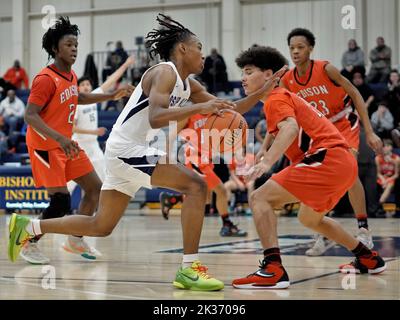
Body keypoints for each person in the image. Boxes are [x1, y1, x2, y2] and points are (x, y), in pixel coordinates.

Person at [8, 14, 284, 291]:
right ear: (183, 49)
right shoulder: (164, 72)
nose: (203, 54)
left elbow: (229, 108)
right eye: (199, 46)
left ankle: (29, 227)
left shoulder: (191, 85)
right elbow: (156, 117)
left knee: (101, 225)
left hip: (128, 151)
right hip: (127, 148)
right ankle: (189, 269)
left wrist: (262, 91)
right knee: (196, 184)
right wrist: (198, 109)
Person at [231, 45, 386, 290]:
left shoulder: (276, 98)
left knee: (259, 198)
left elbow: (290, 129)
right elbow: (284, 130)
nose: (243, 78)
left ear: (269, 74)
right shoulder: (281, 99)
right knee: (310, 218)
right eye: (243, 73)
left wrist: (267, 163)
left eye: (249, 72)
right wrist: (263, 153)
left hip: (328, 158)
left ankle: (273, 269)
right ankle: (368, 257)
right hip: (340, 163)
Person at [18, 16, 133, 265]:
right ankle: (27, 241)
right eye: (69, 44)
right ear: (55, 49)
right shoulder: (45, 79)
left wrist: (112, 95)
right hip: (46, 146)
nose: (74, 49)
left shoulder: (70, 76)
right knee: (61, 202)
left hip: (65, 144)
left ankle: (75, 239)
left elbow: (78, 99)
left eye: (76, 45)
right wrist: (60, 137)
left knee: (94, 189)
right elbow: (29, 115)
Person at [280, 28, 382, 256]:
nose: (295, 52)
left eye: (300, 47)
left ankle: (363, 230)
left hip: (344, 123)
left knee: (349, 173)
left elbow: (355, 93)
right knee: (316, 179)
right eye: (292, 48)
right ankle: (321, 231)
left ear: (310, 49)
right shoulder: (287, 79)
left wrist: (371, 131)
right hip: (319, 130)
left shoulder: (325, 68)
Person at [159, 113, 248, 237]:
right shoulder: (189, 114)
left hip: (207, 160)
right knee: (221, 191)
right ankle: (227, 225)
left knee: (205, 198)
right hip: (194, 159)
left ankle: (172, 199)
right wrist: (167, 158)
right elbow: (171, 135)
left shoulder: (214, 112)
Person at [67, 55, 135, 195]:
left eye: (87, 84)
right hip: (78, 145)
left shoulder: (95, 95)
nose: (86, 87)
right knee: (71, 183)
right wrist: (93, 132)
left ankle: (98, 213)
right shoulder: (77, 103)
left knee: (104, 179)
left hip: (93, 146)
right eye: (83, 85)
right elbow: (71, 128)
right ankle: (58, 207)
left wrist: (126, 64)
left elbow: (111, 80)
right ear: (78, 88)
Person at [375, 139, 399, 206]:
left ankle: (380, 202)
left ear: (391, 147)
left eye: (386, 146)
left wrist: (387, 180)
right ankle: (381, 204)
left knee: (389, 185)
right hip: (381, 178)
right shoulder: (378, 158)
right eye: (383, 146)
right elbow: (378, 173)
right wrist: (383, 180)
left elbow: (396, 174)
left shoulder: (396, 159)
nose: (384, 148)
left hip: (391, 178)